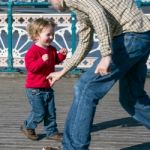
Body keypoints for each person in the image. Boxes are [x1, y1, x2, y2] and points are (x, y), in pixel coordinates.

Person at [45, 0, 150, 150]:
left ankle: (73, 147)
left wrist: (106, 55)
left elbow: (97, 13)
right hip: (142, 35)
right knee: (132, 98)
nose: (50, 3)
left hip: (129, 36)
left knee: (86, 89)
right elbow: (85, 43)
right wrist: (62, 71)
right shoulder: (80, 7)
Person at [20, 18, 67, 141]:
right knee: (39, 112)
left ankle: (51, 132)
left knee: (51, 112)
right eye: (48, 34)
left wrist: (61, 55)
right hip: (34, 89)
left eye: (53, 34)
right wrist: (41, 60)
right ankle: (27, 126)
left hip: (47, 86)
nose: (51, 37)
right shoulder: (32, 52)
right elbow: (31, 68)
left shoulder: (51, 49)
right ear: (36, 35)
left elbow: (55, 60)